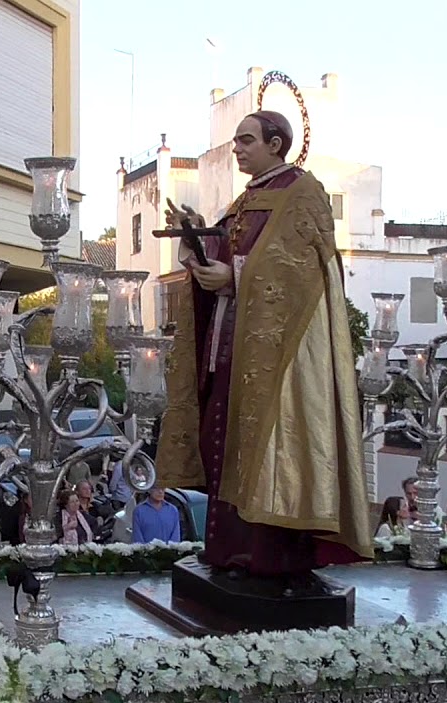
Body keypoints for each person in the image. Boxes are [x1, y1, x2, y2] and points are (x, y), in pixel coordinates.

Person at [153, 108, 371, 588]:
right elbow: (230, 255)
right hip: (230, 339)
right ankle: (230, 549)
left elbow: (305, 271)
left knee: (269, 447)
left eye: (246, 139)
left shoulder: (303, 193)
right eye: (235, 140)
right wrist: (199, 241)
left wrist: (234, 276)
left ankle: (272, 557)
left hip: (281, 359)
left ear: (277, 143)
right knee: (222, 440)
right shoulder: (244, 200)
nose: (237, 148)